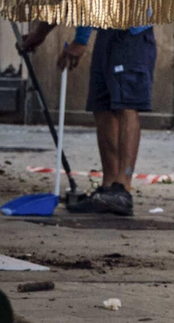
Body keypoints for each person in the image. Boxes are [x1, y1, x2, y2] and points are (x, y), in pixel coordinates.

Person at [20, 22, 157, 217]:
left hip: (130, 32)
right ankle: (108, 188)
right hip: (106, 32)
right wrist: (39, 34)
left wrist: (81, 40)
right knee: (102, 106)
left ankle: (122, 188)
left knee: (127, 104)